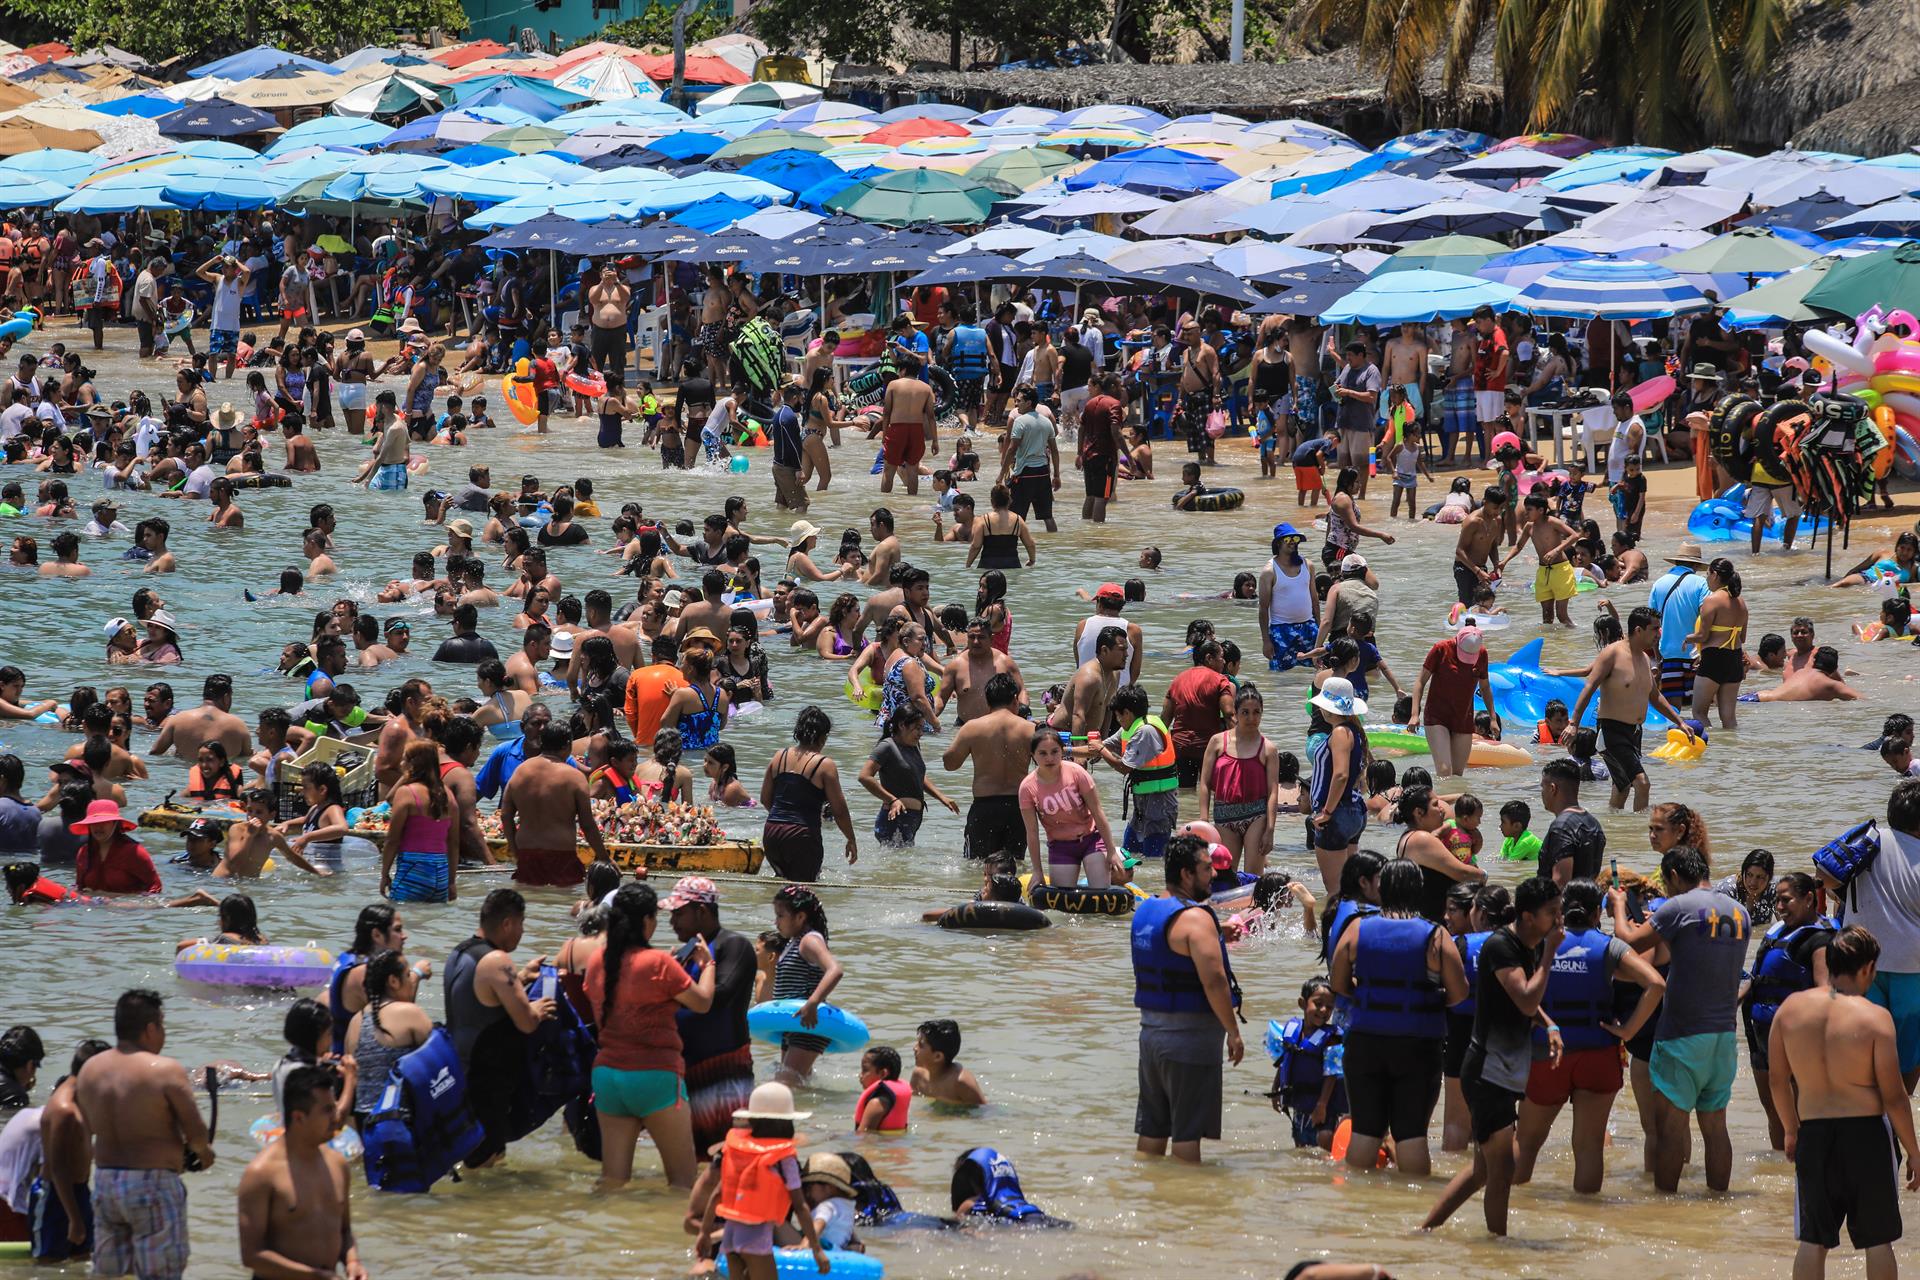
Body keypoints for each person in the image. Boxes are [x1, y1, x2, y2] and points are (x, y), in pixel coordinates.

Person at [1769, 926, 1920, 1280]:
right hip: (1866, 1134)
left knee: (1812, 1241)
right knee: (1878, 1242)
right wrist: (1914, 1150)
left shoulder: (1790, 1011)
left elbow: (1778, 1080)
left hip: (1814, 1134)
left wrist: (1791, 1129)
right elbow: (1895, 1096)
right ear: (1868, 969)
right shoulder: (1874, 1018)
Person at [1423, 876, 1562, 1236]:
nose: (1559, 921)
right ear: (1529, 916)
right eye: (1552, 913)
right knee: (1501, 1169)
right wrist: (1549, 955)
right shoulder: (1504, 947)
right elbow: (1527, 997)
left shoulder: (1526, 945)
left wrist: (1549, 1025)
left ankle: (1426, 1230)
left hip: (1503, 1070)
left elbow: (1525, 1004)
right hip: (1488, 1072)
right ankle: (1498, 1248)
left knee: (1485, 1170)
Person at [1512, 879, 1666, 1195]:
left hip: (1547, 1053)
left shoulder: (1540, 943)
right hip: (1598, 1053)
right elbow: (1656, 985)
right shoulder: (1609, 946)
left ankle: (1510, 1213)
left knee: (1526, 1143)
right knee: (1589, 1147)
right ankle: (1586, 1221)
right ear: (1598, 912)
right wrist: (1628, 1031)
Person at [1610, 844, 1748, 1192]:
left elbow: (1629, 942)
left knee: (1670, 1127)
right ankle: (1718, 1200)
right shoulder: (1739, 911)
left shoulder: (1678, 907)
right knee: (1716, 1127)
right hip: (1723, 1036)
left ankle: (1664, 1205)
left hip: (1682, 1033)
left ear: (1673, 876)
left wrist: (1616, 907)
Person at [1332, 860, 1469, 1176]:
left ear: (1383, 888)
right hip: (1418, 1044)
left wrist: (1369, 997)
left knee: (1365, 1132)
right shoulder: (1435, 936)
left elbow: (1338, 984)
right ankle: (1413, 1207)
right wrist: (1428, 1003)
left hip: (1365, 1041)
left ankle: (1354, 1204)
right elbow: (1460, 993)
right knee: (1411, 1136)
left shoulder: (1357, 928)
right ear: (1418, 889)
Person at [75, 989, 214, 1280]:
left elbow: (86, 1129)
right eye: (161, 1025)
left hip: (106, 1181)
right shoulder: (164, 1070)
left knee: (109, 1274)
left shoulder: (90, 1070)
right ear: (150, 1028)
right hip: (152, 1184)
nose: (163, 1033)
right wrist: (204, 1154)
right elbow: (197, 1134)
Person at [588, 883, 715, 1191]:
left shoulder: (597, 960)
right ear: (646, 921)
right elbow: (703, 1002)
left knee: (613, 1180)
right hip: (655, 1077)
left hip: (608, 1076)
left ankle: (598, 1233)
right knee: (682, 1182)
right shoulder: (659, 963)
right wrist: (707, 964)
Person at [1132, 834, 1244, 1165]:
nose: (1214, 875)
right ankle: (1184, 1211)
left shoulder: (1147, 910)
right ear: (1186, 874)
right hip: (1189, 1046)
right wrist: (1234, 1033)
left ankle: (1148, 1197)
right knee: (1186, 1142)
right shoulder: (1197, 920)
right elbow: (1214, 981)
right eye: (1207, 869)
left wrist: (1216, 933)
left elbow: (1170, 947)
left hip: (1151, 1040)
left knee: (1152, 1134)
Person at [444, 888, 557, 1168]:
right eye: (521, 924)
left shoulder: (460, 952)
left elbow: (480, 999)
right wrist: (539, 1010)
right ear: (507, 923)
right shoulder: (498, 961)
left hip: (462, 1071)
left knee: (475, 1156)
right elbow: (527, 1023)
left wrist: (520, 977)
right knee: (486, 1164)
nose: (521, 931)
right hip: (488, 1081)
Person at [1827, 780, 1920, 1093]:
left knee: (1862, 1047)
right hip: (1913, 968)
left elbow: (1824, 874)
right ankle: (1900, 1109)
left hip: (1861, 961)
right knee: (1908, 1054)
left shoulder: (1866, 841)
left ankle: (1869, 1114)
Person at [236, 1064, 365, 1280]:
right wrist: (314, 1275)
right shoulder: (261, 1174)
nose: (336, 1118)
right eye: (327, 1110)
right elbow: (252, 1255)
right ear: (298, 1117)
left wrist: (353, 1262)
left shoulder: (338, 1164)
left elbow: (344, 1231)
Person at [666, 876, 758, 1158]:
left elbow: (719, 997)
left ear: (702, 912)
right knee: (689, 1158)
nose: (672, 922)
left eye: (679, 914)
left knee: (725, 1156)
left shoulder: (735, 946)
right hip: (686, 1070)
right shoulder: (684, 953)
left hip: (724, 1071)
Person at [1745, 872, 1835, 1151]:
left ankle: (1803, 1173)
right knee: (1774, 1111)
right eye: (1777, 901)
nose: (1779, 907)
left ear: (1809, 899)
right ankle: (1781, 1170)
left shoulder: (1818, 940)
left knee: (1799, 1115)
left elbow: (1826, 992)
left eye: (1786, 900)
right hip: (1760, 1035)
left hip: (1796, 1039)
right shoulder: (1777, 933)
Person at [502, 722, 608, 888]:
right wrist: (604, 858)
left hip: (526, 855)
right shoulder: (574, 777)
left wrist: (515, 851)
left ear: (542, 743)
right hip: (562, 856)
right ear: (567, 745)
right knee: (561, 902)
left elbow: (505, 815)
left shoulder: (520, 772)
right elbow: (587, 825)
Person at [758, 706, 857, 883]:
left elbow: (765, 799)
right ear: (823, 736)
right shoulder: (825, 765)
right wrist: (850, 838)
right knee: (804, 891)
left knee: (781, 887)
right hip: (802, 835)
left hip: (772, 832)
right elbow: (839, 810)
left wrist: (783, 819)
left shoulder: (778, 756)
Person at [944, 674, 1034, 864]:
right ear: (1015, 699)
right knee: (1014, 866)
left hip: (984, 807)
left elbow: (950, 764)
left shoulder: (972, 728)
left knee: (976, 867)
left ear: (988, 700)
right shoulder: (1030, 729)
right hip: (1018, 808)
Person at [1020, 726, 1122, 890]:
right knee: (1063, 904)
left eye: (1055, 751)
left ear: (1062, 751)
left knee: (1101, 891)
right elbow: (1031, 833)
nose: (1050, 758)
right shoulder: (1027, 788)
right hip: (1060, 846)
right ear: (1033, 756)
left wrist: (1111, 852)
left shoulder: (1077, 773)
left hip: (1091, 839)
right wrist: (1037, 871)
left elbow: (1098, 812)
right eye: (1042, 753)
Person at [769, 885, 842, 1085]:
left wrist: (813, 1002)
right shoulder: (795, 941)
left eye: (780, 916)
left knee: (785, 1084)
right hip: (793, 1023)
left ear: (800, 917)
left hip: (808, 1023)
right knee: (796, 1085)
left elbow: (835, 969)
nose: (776, 922)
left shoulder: (809, 940)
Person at [1410, 626, 1495, 778]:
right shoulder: (1441, 649)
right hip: (1437, 716)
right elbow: (1420, 682)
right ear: (1457, 643)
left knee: (1457, 775)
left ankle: (1452, 801)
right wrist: (1414, 714)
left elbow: (1485, 687)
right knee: (1444, 770)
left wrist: (1493, 718)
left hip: (1463, 717)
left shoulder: (1482, 654)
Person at [380, 741, 457, 904]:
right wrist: (451, 882)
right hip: (441, 873)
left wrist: (384, 874)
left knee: (400, 918)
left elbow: (392, 840)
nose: (400, 764)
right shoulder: (448, 796)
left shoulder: (407, 793)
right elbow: (453, 842)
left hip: (413, 869)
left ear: (412, 764)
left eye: (403, 760)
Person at [1686, 557, 1748, 730]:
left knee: (1699, 713)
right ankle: (1729, 751)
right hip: (1735, 659)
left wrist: (1687, 639)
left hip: (1714, 658)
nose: (1706, 579)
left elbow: (1703, 636)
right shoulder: (1741, 602)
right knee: (1729, 719)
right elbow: (1742, 638)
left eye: (1707, 574)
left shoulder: (1711, 600)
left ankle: (1711, 750)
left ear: (1714, 575)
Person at [1649, 543, 1709, 711]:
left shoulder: (1658, 584)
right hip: (1695, 655)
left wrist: (1658, 656)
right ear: (1696, 565)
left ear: (1676, 563)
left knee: (1673, 710)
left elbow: (1653, 625)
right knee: (1700, 709)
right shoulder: (1701, 584)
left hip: (1669, 655)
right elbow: (1707, 618)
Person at [1538, 758, 1606, 887]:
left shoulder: (1561, 827)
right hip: (1589, 903)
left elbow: (1561, 883)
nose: (1541, 792)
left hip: (1564, 905)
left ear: (1552, 788)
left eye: (1542, 787)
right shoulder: (1593, 822)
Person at [910, 1018, 986, 1105]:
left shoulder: (961, 1082)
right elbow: (913, 1102)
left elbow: (983, 1111)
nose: (914, 1048)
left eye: (921, 1045)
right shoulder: (918, 1076)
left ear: (937, 1056)